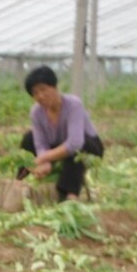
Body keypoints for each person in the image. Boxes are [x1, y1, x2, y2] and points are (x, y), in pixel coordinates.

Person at [20, 64, 104, 201]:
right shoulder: (36, 112)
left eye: (43, 89)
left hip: (89, 147)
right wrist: (44, 160)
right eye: (35, 93)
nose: (40, 96)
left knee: (76, 151)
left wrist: (44, 158)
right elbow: (40, 143)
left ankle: (70, 196)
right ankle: (19, 185)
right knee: (28, 138)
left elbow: (74, 143)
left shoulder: (73, 104)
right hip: (58, 146)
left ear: (55, 87)